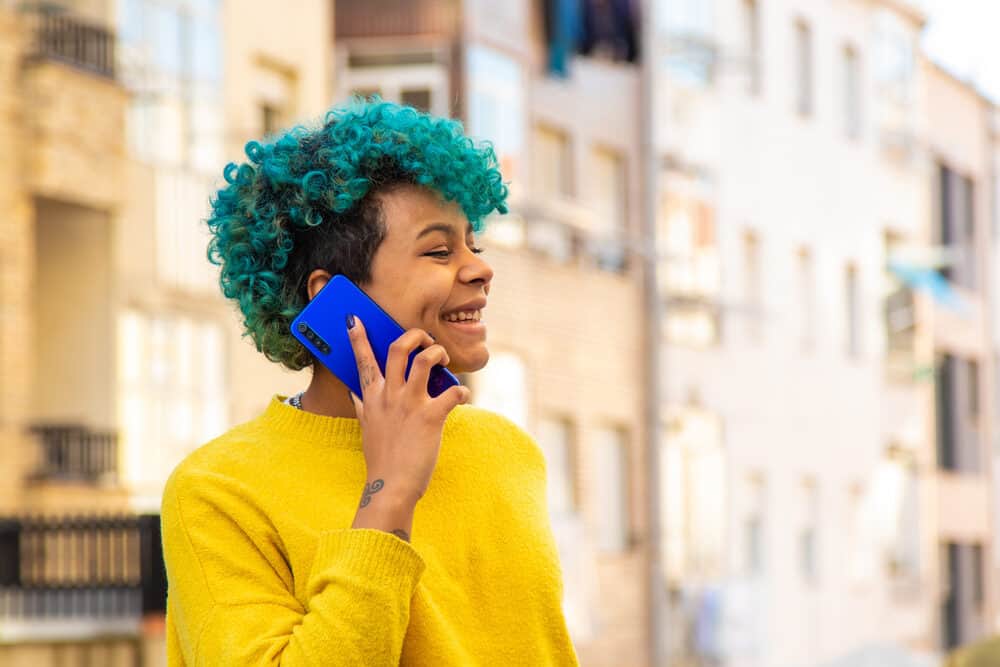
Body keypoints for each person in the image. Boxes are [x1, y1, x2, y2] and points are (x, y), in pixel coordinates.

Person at [160, 98, 581, 665]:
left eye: (472, 244)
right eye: (438, 250)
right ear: (334, 299)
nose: (480, 268)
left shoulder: (508, 453)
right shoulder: (217, 490)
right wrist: (389, 492)